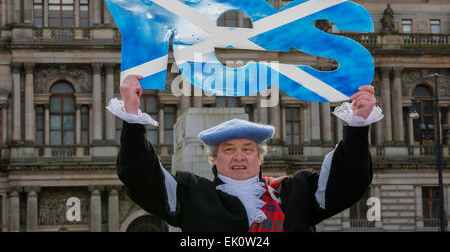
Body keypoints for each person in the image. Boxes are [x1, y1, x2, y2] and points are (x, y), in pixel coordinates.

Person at [107, 75, 383, 232]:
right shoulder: (192, 195)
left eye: (247, 149)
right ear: (214, 159)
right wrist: (132, 118)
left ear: (259, 157)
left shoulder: (292, 193)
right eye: (228, 150)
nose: (239, 156)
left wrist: (357, 126)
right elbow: (142, 177)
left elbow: (346, 183)